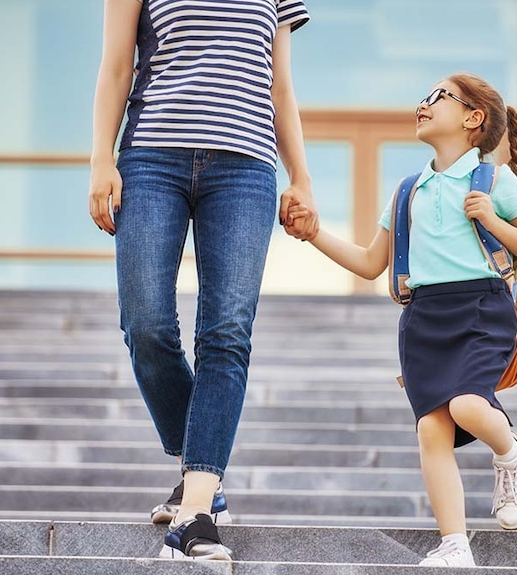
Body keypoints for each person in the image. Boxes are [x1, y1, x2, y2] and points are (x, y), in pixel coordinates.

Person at [287, 72, 517, 567]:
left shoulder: (494, 180)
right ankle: (455, 544)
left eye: (439, 97)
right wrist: (314, 234)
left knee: (469, 406)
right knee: (432, 432)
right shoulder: (409, 188)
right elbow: (372, 262)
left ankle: (511, 451)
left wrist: (493, 221)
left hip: (480, 309)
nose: (424, 103)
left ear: (473, 119)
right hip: (423, 318)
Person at [88, 0, 318, 561]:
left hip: (246, 169)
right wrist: (100, 159)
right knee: (144, 323)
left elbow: (278, 85)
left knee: (226, 334)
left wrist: (302, 177)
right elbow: (117, 66)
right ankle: (202, 466)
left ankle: (194, 511)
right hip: (150, 158)